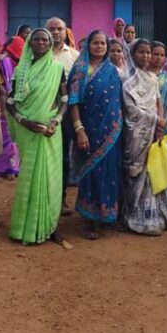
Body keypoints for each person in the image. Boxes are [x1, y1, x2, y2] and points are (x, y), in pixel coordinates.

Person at [4, 29, 66, 245]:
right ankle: (24, 228)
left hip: (50, 130)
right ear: (29, 43)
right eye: (36, 39)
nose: (41, 42)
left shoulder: (57, 69)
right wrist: (24, 121)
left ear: (50, 44)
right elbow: (10, 102)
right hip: (27, 130)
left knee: (50, 177)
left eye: (45, 39)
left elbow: (64, 99)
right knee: (28, 177)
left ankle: (49, 225)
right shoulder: (20, 70)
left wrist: (56, 121)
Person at [67, 30, 122, 239]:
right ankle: (88, 219)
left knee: (110, 173)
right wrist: (79, 130)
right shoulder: (80, 69)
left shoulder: (112, 70)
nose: (99, 46)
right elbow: (73, 102)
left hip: (112, 131)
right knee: (92, 172)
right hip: (90, 130)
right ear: (87, 46)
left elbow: (118, 101)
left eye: (103, 43)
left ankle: (106, 216)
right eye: (95, 43)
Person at [121, 39, 167, 235]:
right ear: (132, 54)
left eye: (148, 52)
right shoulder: (126, 78)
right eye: (141, 52)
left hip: (153, 129)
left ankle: (154, 218)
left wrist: (159, 124)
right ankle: (132, 218)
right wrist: (155, 120)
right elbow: (131, 110)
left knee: (152, 172)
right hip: (135, 133)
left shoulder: (152, 77)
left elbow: (158, 101)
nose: (145, 56)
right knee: (135, 172)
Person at [45, 17, 80, 216]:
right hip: (42, 112)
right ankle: (44, 198)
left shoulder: (75, 56)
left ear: (66, 31)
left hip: (66, 114)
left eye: (59, 29)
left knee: (63, 156)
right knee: (44, 156)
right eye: (52, 29)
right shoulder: (39, 52)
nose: (56, 32)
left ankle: (61, 198)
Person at [0, 35, 22, 180]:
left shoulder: (9, 63)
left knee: (8, 138)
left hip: (7, 106)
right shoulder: (0, 62)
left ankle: (9, 168)